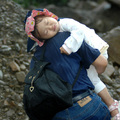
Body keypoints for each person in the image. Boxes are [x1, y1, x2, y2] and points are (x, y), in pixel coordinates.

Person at [24, 8, 120, 120]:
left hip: (57, 114)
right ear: (42, 38)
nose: (50, 27)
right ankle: (113, 106)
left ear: (50, 16)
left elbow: (78, 32)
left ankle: (112, 105)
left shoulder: (37, 57)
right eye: (46, 32)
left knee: (93, 80)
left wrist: (68, 47)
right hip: (87, 105)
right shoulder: (65, 37)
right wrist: (68, 47)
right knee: (93, 80)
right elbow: (102, 66)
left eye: (47, 22)